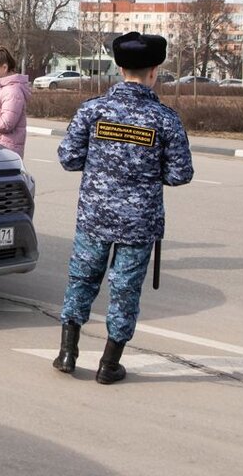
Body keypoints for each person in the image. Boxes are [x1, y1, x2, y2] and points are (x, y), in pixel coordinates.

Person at [52, 32, 194, 384]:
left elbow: (68, 159)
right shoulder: (165, 118)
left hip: (94, 217)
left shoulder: (92, 109)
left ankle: (67, 354)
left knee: (81, 282)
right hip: (139, 223)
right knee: (125, 290)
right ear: (154, 71)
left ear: (119, 67)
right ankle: (108, 365)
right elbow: (180, 174)